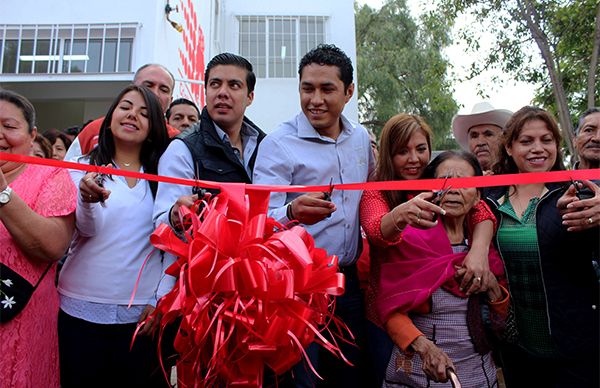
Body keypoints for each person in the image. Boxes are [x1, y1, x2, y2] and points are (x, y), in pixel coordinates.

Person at [253, 44, 375, 387]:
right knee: (302, 379)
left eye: (327, 89)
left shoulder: (361, 139)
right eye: (307, 89)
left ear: (349, 92)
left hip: (347, 283)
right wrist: (291, 211)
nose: (315, 100)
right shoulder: (278, 144)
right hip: (296, 288)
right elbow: (259, 223)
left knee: (349, 376)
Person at [359, 114, 498, 386]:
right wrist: (400, 216)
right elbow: (376, 230)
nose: (413, 159)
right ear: (388, 154)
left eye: (421, 149)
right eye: (402, 151)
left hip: (433, 321)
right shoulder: (376, 191)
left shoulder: (439, 181)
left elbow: (481, 209)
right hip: (386, 313)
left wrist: (479, 251)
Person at [57, 84, 171, 387]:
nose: (133, 115)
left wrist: (160, 299)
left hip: (141, 318)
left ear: (153, 128)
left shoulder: (163, 176)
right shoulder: (79, 168)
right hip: (79, 309)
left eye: (145, 113)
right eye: (125, 107)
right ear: (109, 118)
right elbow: (85, 229)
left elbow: (170, 244)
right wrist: (87, 198)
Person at [487, 106, 599, 387]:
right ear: (509, 147)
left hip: (576, 347)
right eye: (526, 141)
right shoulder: (490, 198)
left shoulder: (580, 192)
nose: (538, 148)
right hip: (517, 347)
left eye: (546, 140)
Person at [0, 89, 77, 387]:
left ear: (32, 136)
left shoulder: (52, 176)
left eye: (9, 127)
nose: (1, 135)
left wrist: (2, 192)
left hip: (23, 317)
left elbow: (53, 245)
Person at [153, 53, 265, 230]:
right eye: (215, 84)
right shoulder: (182, 148)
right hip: (204, 256)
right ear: (206, 92)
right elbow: (161, 223)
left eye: (234, 85)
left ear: (250, 97)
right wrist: (175, 216)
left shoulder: (266, 146)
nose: (222, 93)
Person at [64, 63, 180, 161]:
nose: (155, 94)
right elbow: (65, 177)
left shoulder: (176, 140)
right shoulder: (94, 130)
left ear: (171, 100)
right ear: (132, 88)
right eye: (148, 85)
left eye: (164, 90)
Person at [452, 102, 513, 172]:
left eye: (488, 134)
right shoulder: (459, 179)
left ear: (503, 140)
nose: (480, 142)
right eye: (474, 136)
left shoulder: (518, 177)